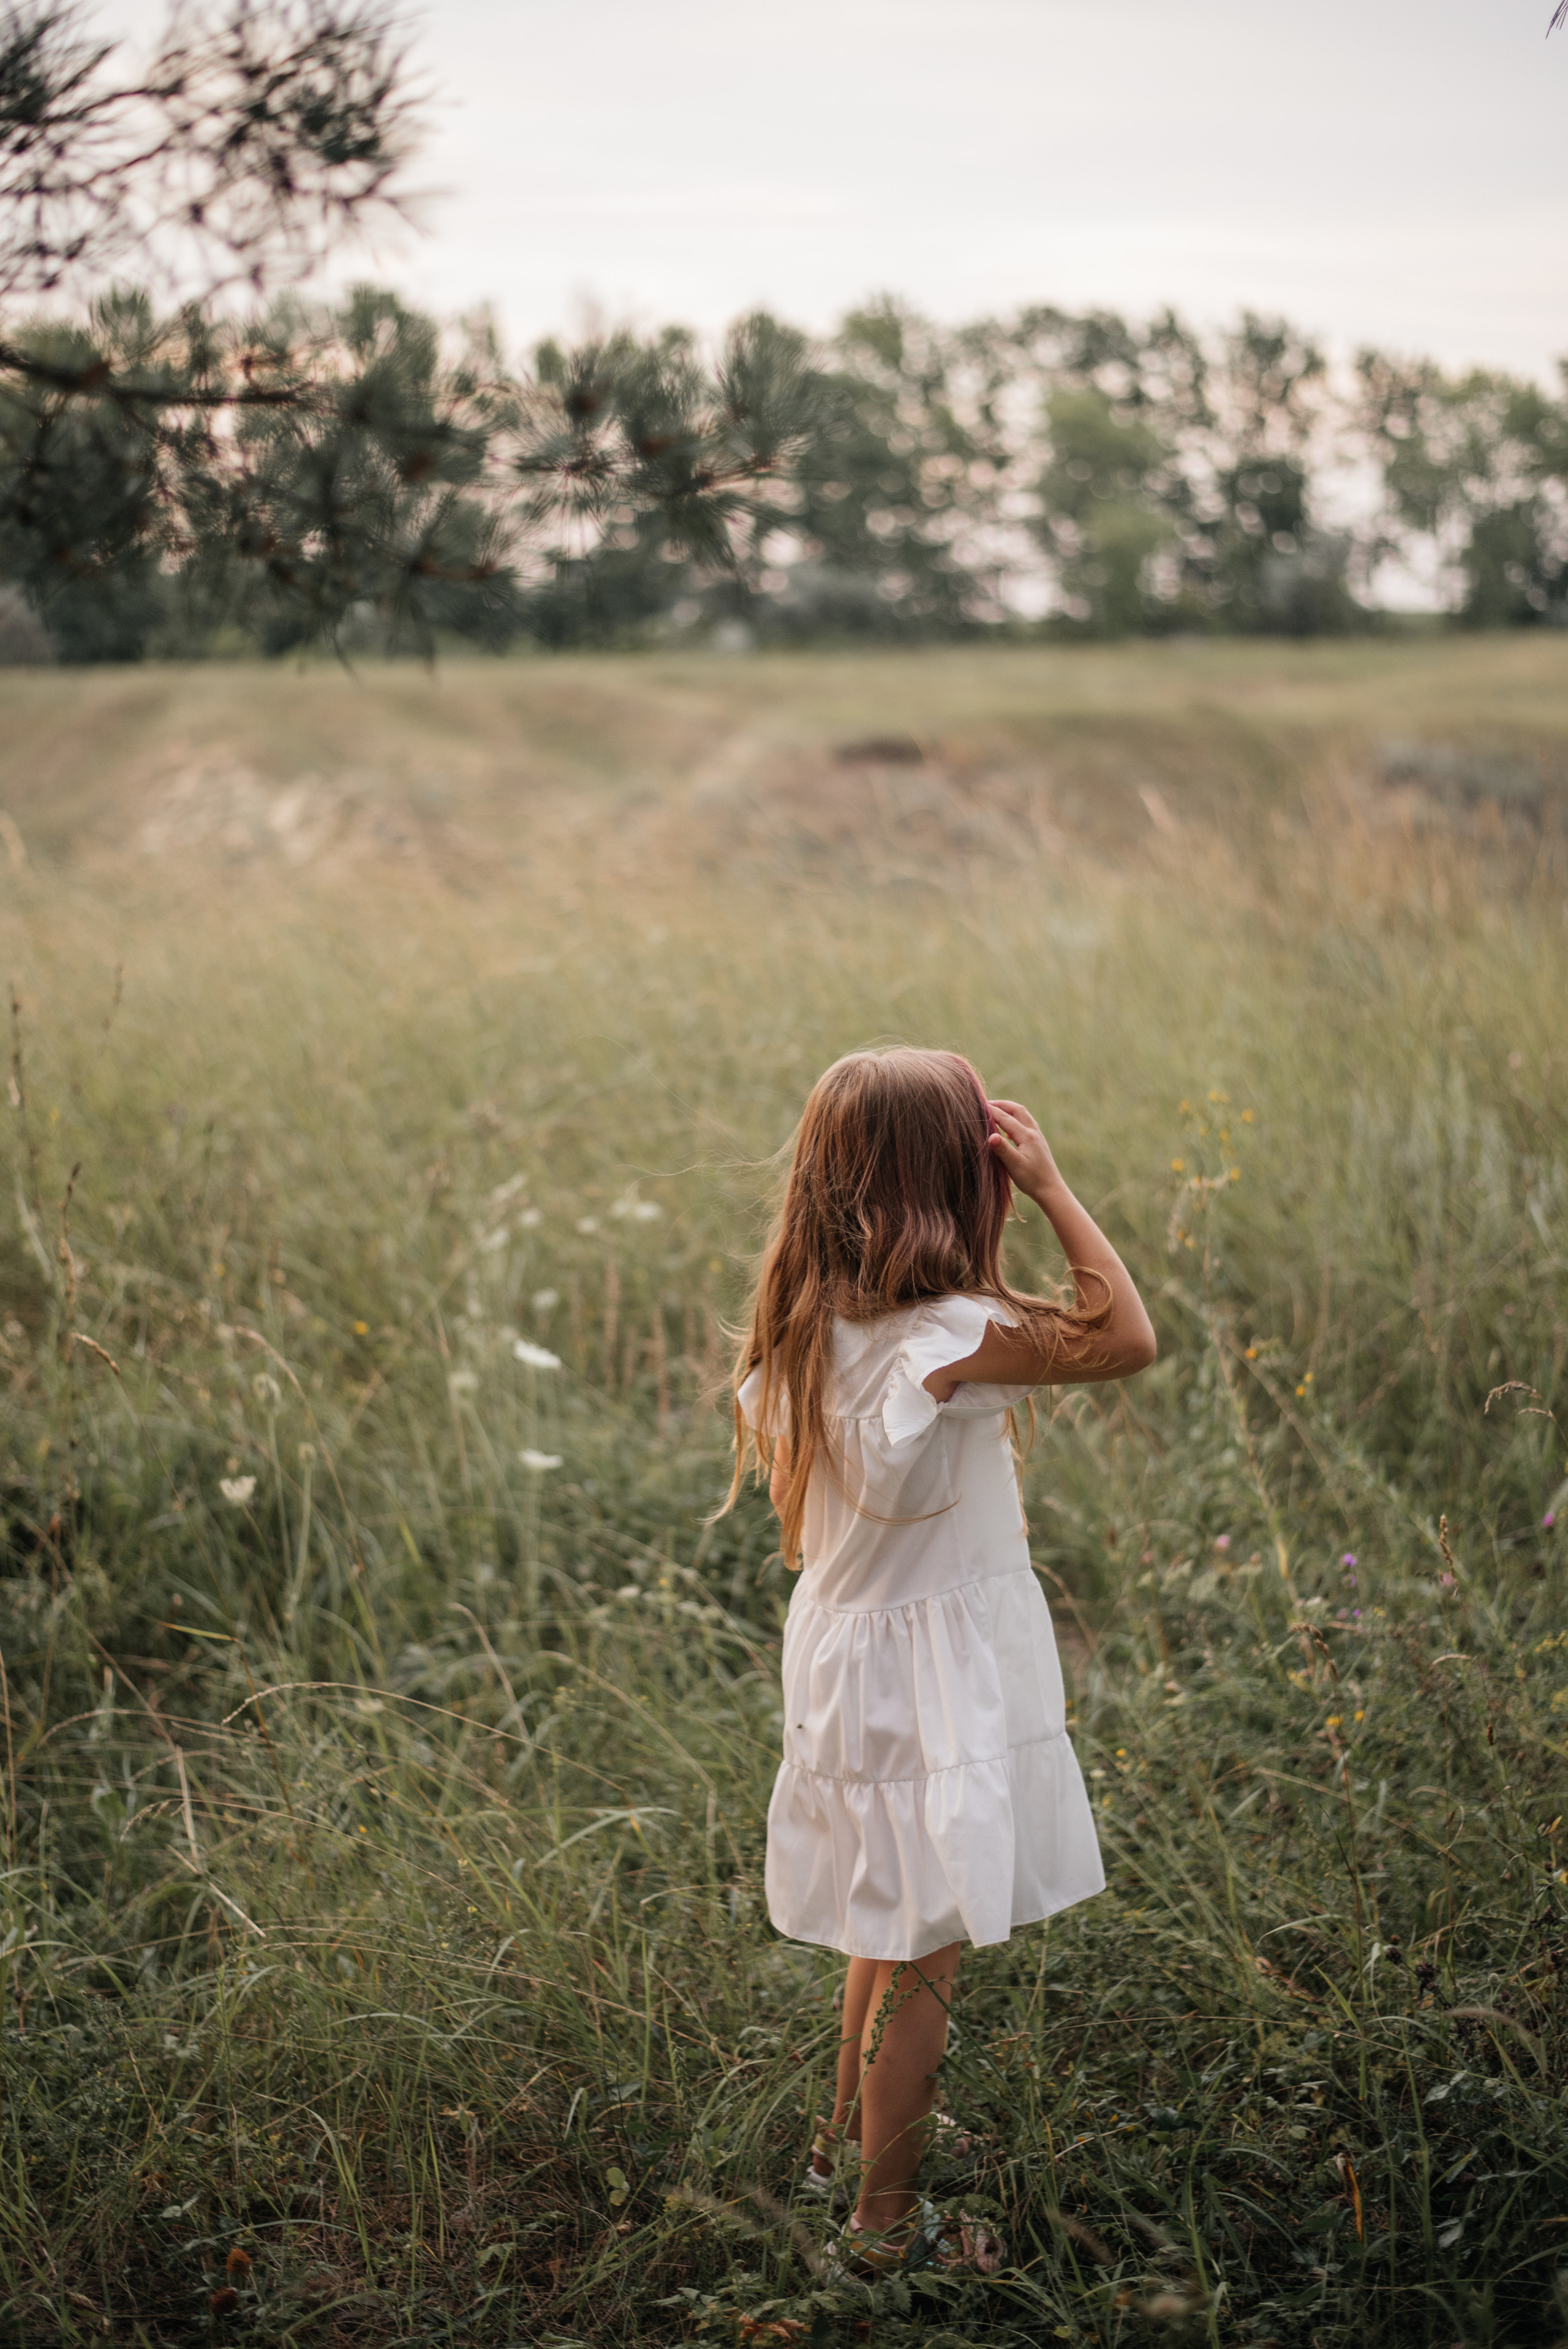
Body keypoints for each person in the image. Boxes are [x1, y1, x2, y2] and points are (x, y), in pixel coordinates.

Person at [718, 1047, 1156, 2283]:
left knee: (884, 1912)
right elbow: (1120, 1336)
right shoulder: (950, 1333)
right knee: (923, 1958)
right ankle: (878, 2233)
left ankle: (835, 2140)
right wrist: (1059, 1192)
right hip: (930, 1673)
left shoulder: (805, 1327)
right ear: (956, 1188)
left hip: (847, 1655)